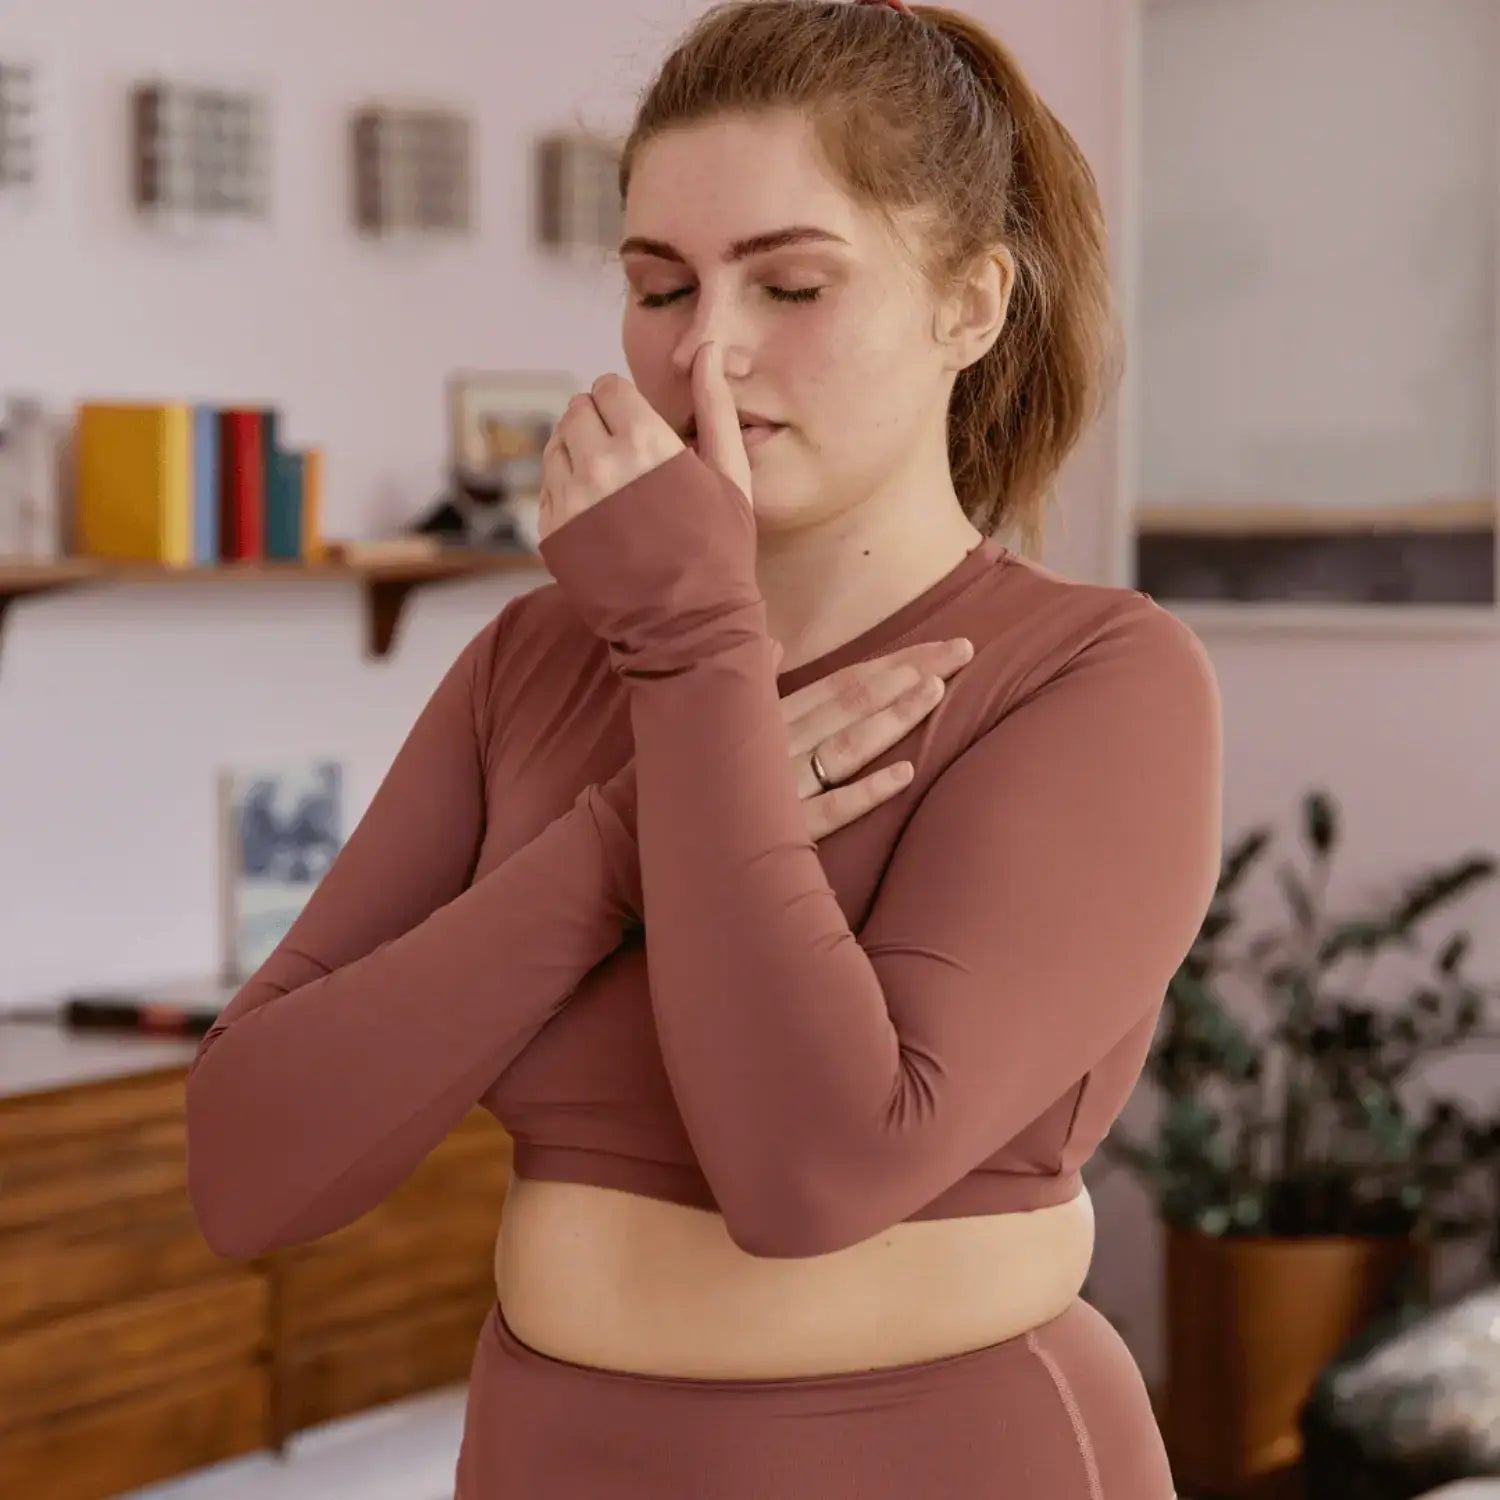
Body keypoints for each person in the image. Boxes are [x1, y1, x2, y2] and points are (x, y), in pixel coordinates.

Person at [183, 1, 1222, 1494]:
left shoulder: (1099, 678)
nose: (708, 352)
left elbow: (813, 1171)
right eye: (660, 287)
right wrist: (617, 844)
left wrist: (691, 649)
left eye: (791, 283)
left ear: (972, 305)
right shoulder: (534, 664)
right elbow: (250, 1167)